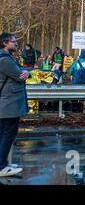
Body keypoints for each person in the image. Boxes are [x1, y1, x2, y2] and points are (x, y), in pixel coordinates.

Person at [0, 32, 29, 177]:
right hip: (8, 104)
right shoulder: (4, 60)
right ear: (5, 42)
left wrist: (22, 73)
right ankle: (1, 166)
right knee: (8, 134)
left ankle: (3, 162)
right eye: (13, 41)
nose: (16, 43)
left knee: (4, 133)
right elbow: (20, 76)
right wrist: (25, 74)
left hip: (6, 103)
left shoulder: (6, 58)